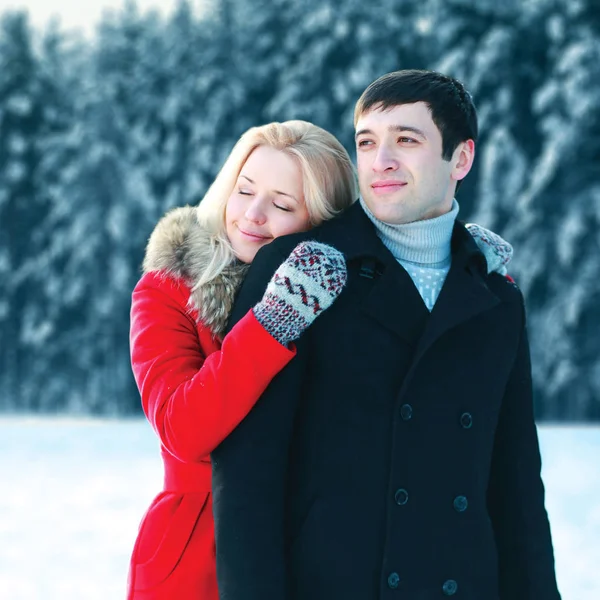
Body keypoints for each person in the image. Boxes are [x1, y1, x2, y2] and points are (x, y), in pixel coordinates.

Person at [211, 70, 562, 600]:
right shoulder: (302, 270)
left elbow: (516, 486)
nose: (382, 161)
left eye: (407, 140)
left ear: (461, 158)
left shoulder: (495, 298)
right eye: (368, 142)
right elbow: (246, 479)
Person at [126, 120, 355, 600]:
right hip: (195, 554)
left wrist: (462, 263)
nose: (252, 214)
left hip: (314, 544)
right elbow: (182, 428)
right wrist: (273, 323)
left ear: (324, 220)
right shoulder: (171, 287)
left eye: (282, 204)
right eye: (244, 190)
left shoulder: (340, 290)